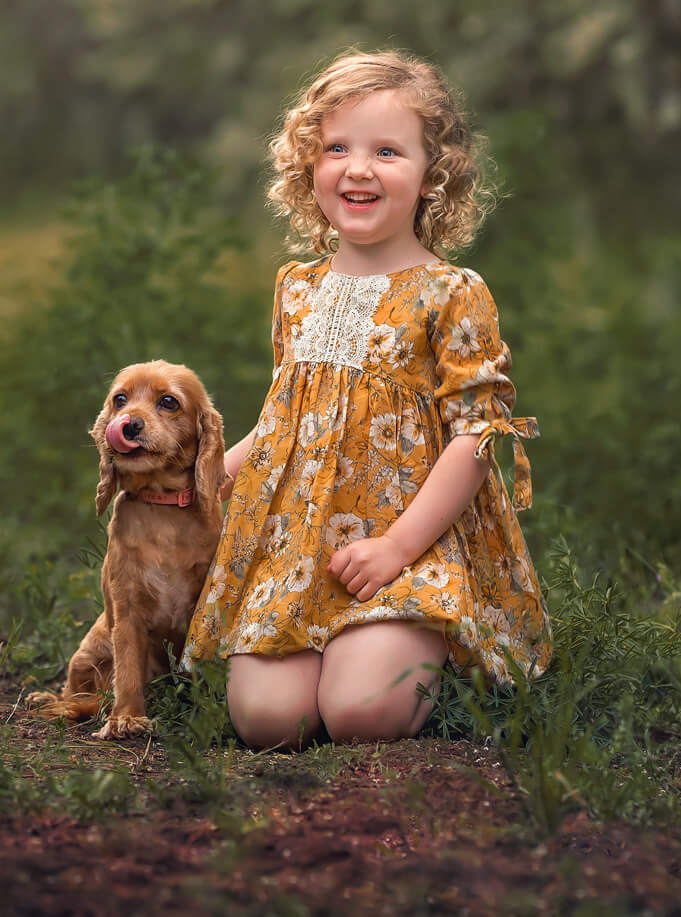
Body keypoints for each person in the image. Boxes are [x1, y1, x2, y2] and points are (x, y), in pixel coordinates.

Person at [181, 48, 550, 747]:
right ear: (307, 167)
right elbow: (290, 420)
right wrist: (200, 481)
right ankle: (325, 655)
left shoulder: (451, 292)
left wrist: (395, 548)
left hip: (409, 546)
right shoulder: (298, 288)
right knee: (268, 722)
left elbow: (477, 439)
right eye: (336, 148)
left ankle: (426, 647)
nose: (357, 168)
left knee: (360, 713)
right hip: (301, 548)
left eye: (387, 150)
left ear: (431, 175)